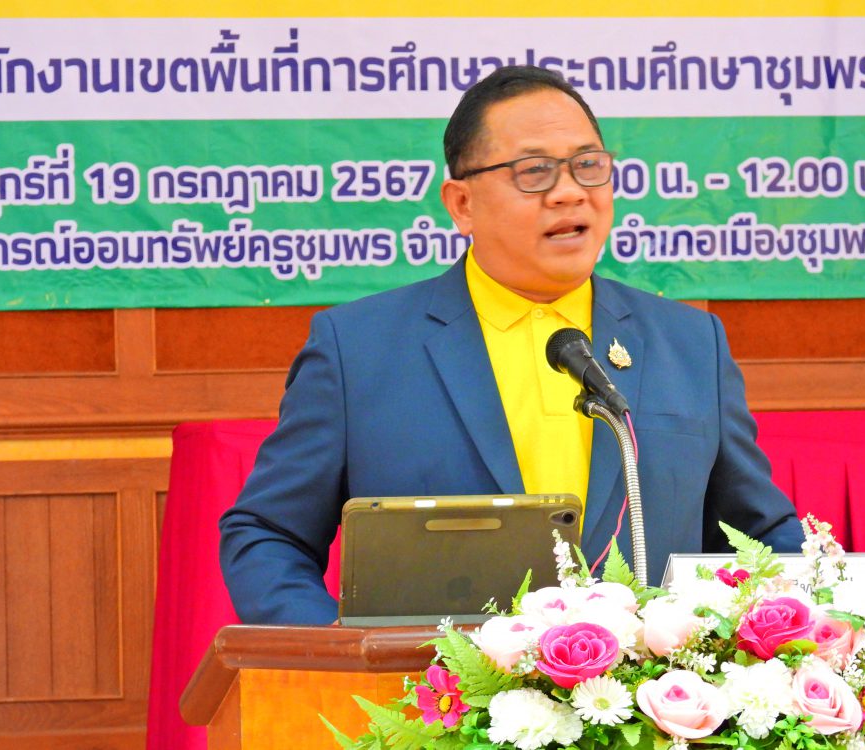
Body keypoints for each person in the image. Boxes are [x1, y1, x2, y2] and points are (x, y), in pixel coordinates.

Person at [219, 65, 804, 625]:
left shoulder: (689, 344)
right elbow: (267, 534)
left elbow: (760, 534)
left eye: (588, 166)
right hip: (432, 691)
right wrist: (344, 657)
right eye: (534, 172)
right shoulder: (359, 351)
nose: (569, 193)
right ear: (462, 204)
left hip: (640, 691)